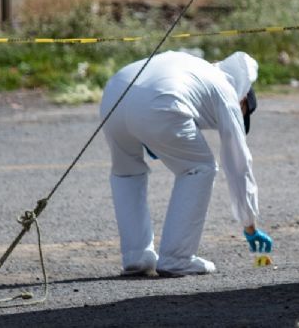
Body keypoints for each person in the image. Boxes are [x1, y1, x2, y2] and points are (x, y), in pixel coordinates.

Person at [100, 50, 273, 277]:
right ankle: (176, 258)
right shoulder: (228, 92)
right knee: (199, 168)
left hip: (114, 93)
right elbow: (239, 164)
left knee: (126, 173)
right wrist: (249, 224)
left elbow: (157, 95)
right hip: (159, 100)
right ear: (244, 100)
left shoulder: (197, 69)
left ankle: (136, 256)